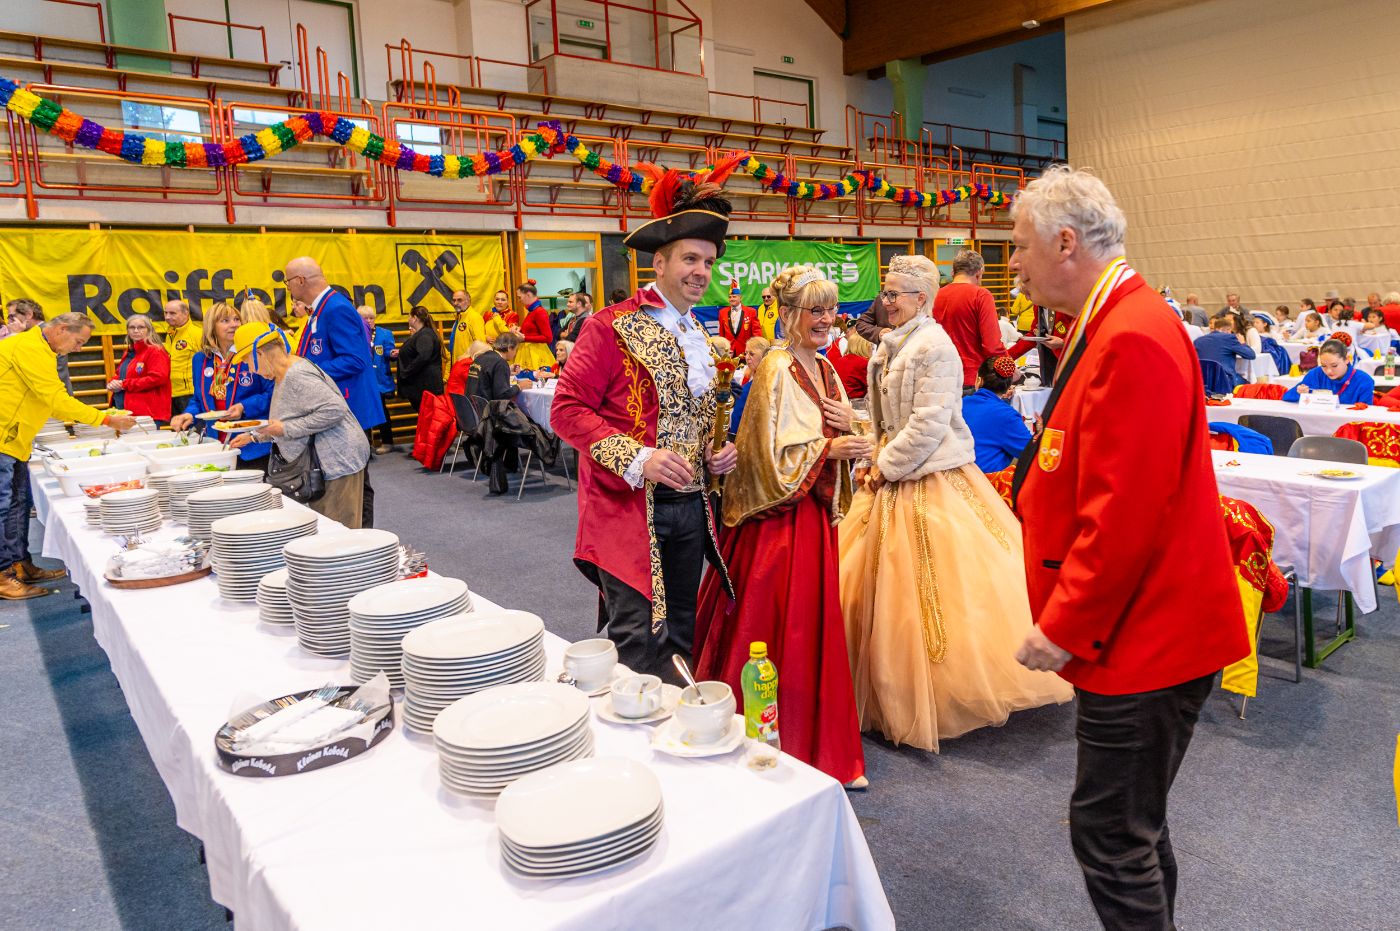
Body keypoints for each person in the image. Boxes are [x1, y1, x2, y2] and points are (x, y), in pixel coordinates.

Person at [1007, 166, 1248, 930]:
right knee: (1132, 827)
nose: (1014, 262)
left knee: (1110, 834)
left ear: (1065, 243)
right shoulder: (1116, 319)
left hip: (1144, 636)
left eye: (1020, 245)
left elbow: (1124, 515)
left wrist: (1063, 623)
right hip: (1141, 628)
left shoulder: (1131, 333)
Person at [838, 252, 1072, 753]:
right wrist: (873, 454)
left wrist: (885, 464)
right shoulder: (891, 344)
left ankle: (940, 692)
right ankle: (886, 684)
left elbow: (929, 423)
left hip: (931, 475)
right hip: (892, 471)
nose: (886, 302)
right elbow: (884, 418)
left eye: (893, 294)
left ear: (920, 298)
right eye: (885, 293)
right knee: (878, 589)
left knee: (942, 590)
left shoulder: (935, 346)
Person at [551, 158, 741, 681]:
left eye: (708, 262)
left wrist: (715, 451)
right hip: (628, 508)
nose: (701, 271)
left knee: (681, 634)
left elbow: (692, 417)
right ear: (659, 263)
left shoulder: (698, 335)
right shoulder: (609, 326)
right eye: (689, 259)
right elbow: (566, 410)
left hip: (690, 506)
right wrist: (640, 457)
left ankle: (675, 723)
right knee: (636, 639)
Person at [694, 265, 870, 785]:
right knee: (778, 626)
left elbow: (834, 427)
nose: (826, 319)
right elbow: (764, 456)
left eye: (831, 309)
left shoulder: (826, 368)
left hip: (812, 514)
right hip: (778, 523)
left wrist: (854, 430)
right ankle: (770, 741)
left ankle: (817, 744)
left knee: (810, 625)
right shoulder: (775, 366)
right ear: (789, 314)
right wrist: (831, 448)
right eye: (815, 310)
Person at [0, 313, 137, 599]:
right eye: (79, 341)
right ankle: (2, 576)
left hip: (15, 440)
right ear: (62, 329)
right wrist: (106, 420)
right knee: (3, 508)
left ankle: (18, 564)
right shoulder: (29, 348)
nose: (78, 348)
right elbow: (56, 401)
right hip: (4, 437)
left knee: (16, 506)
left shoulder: (41, 350)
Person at [228, 322, 371, 528]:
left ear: (259, 354)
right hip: (326, 466)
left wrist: (285, 429)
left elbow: (334, 409)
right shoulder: (285, 373)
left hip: (336, 463)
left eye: (247, 362)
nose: (251, 370)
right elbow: (289, 418)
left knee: (338, 534)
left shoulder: (296, 375)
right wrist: (255, 436)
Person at [284, 256, 384, 528]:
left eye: (287, 282)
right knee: (353, 480)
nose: (287, 288)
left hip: (349, 409)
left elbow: (355, 360)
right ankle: (361, 535)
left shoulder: (335, 308)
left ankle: (363, 538)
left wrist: (306, 370)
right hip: (339, 407)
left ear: (300, 280)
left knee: (356, 481)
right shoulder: (322, 309)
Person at [170, 302, 274, 471]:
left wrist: (244, 406)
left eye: (236, 319)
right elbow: (199, 399)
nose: (234, 324)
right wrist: (189, 414)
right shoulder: (201, 359)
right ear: (212, 326)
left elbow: (273, 393)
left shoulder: (253, 353)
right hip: (217, 444)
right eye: (225, 320)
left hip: (252, 445)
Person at [932, 249, 1006, 392]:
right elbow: (992, 345)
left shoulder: (936, 296)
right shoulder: (981, 295)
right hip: (971, 377)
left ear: (953, 272)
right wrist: (1009, 367)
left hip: (940, 376)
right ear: (979, 273)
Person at [465, 331, 529, 495]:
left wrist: (507, 371)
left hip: (474, 413)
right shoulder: (499, 363)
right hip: (490, 418)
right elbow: (502, 395)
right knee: (526, 421)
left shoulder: (481, 358)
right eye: (515, 350)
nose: (515, 354)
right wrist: (519, 386)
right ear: (509, 348)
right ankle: (512, 464)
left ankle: (510, 464)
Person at [963, 355, 1033, 474]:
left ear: (979, 380)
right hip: (985, 480)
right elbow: (1030, 453)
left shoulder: (961, 403)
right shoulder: (1007, 415)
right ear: (1008, 386)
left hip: (952, 478)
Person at [107, 314, 172, 424]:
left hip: (147, 412)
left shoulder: (155, 351)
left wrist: (124, 384)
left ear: (149, 330)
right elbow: (120, 375)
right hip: (124, 409)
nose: (136, 331)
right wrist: (112, 383)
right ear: (128, 331)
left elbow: (158, 378)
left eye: (141, 327)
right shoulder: (130, 352)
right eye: (132, 327)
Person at [1281, 338, 1375, 404]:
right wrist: (1298, 392)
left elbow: (1366, 412)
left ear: (1347, 359)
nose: (1328, 371)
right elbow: (1286, 397)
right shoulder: (1316, 374)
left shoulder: (1364, 380)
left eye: (1334, 365)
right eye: (1323, 366)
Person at [360, 305, 398, 453]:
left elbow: (388, 351)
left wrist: (391, 354)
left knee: (382, 411)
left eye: (371, 318)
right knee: (363, 412)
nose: (369, 321)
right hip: (362, 380)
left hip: (379, 381)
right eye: (365, 318)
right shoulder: (355, 333)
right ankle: (366, 444)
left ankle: (387, 442)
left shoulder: (384, 334)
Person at [396, 306, 444, 412]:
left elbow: (424, 356)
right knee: (425, 415)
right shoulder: (422, 334)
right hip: (421, 386)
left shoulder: (425, 335)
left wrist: (406, 372)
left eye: (409, 316)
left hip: (425, 386)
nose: (408, 319)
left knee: (428, 415)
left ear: (415, 318)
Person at [163, 299, 202, 420]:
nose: (167, 317)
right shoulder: (171, 333)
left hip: (189, 393)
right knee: (177, 428)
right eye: (166, 313)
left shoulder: (197, 334)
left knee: (192, 429)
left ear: (186, 313)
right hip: (172, 392)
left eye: (172, 313)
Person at [1194, 313, 1255, 386]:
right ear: (1228, 330)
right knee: (1249, 383)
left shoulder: (1198, 341)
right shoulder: (1229, 338)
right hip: (1224, 381)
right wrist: (1242, 343)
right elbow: (1251, 355)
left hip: (1202, 381)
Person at [728, 336, 772, 435]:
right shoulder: (745, 374)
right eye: (746, 353)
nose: (747, 357)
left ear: (764, 356)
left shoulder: (767, 380)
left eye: (751, 354)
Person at [513, 281, 557, 371]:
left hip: (536, 355)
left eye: (519, 297)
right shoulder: (532, 312)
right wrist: (519, 329)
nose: (519, 300)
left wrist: (524, 338)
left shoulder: (539, 312)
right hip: (529, 352)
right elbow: (533, 331)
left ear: (528, 295)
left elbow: (548, 338)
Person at [717, 280, 761, 356]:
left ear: (740, 297)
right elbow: (722, 334)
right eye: (730, 297)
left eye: (734, 296)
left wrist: (755, 349)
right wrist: (723, 350)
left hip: (746, 352)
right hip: (729, 352)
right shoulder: (722, 312)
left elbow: (756, 333)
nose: (732, 299)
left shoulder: (751, 312)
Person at [831, 328, 871, 399]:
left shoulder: (839, 361)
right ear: (864, 346)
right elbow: (872, 386)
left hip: (840, 399)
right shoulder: (863, 363)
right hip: (857, 402)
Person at [448, 289, 485, 365]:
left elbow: (481, 346)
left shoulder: (474, 317)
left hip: (468, 365)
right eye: (454, 300)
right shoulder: (459, 318)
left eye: (459, 300)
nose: (456, 303)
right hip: (457, 364)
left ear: (468, 301)